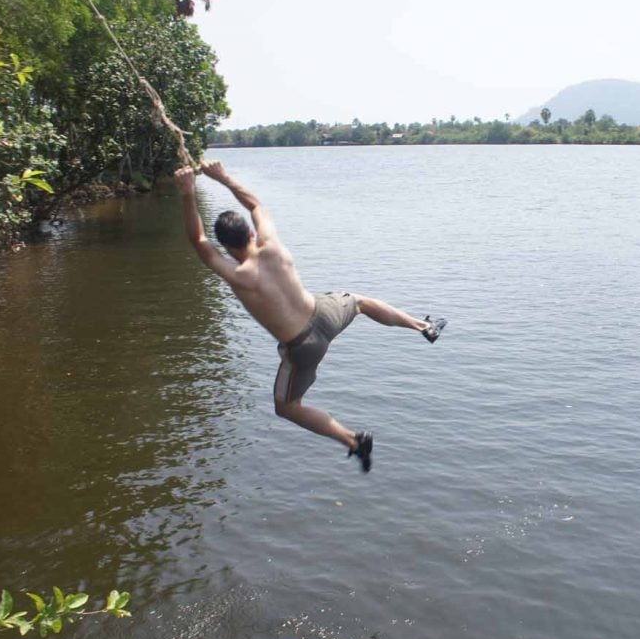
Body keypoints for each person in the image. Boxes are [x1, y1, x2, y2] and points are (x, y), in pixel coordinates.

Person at [175, 160, 446, 473]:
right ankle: (424, 326)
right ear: (250, 232)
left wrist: (187, 193)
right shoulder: (272, 245)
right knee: (359, 302)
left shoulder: (238, 275)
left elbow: (197, 241)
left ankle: (354, 441)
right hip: (324, 313)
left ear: (225, 246)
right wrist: (223, 177)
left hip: (302, 346)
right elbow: (255, 204)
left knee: (286, 407)